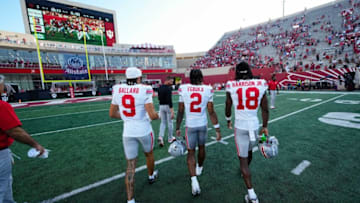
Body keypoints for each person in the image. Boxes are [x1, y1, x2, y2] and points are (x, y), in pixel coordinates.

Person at [109, 67, 159, 203]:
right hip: (143, 130)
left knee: (130, 165)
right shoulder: (145, 89)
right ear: (139, 78)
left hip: (128, 132)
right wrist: (159, 115)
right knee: (149, 154)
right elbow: (152, 115)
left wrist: (127, 118)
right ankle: (150, 176)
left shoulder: (117, 89)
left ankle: (130, 200)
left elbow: (112, 113)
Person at [225, 62, 269, 203]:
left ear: (237, 72)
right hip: (254, 126)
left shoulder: (231, 85)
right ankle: (246, 172)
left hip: (240, 126)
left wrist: (228, 120)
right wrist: (265, 126)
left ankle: (252, 195)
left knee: (242, 161)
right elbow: (265, 108)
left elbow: (228, 105)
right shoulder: (260, 83)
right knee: (249, 152)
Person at [175, 69, 221, 196]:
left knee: (190, 153)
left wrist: (178, 127)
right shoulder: (207, 89)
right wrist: (217, 128)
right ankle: (199, 168)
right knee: (202, 147)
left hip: (190, 125)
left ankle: (194, 181)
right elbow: (211, 111)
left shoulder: (183, 89)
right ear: (201, 77)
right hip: (202, 124)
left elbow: (180, 111)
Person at [0, 75, 45, 202]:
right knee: (2, 187)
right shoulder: (2, 106)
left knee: (6, 187)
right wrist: (36, 145)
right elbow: (15, 131)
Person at [157, 76, 175, 147]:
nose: (172, 83)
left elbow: (158, 98)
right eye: (171, 81)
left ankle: (160, 137)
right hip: (167, 106)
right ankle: (170, 138)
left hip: (161, 106)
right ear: (167, 81)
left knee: (163, 123)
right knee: (170, 122)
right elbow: (169, 100)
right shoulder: (168, 88)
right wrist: (172, 111)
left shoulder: (160, 87)